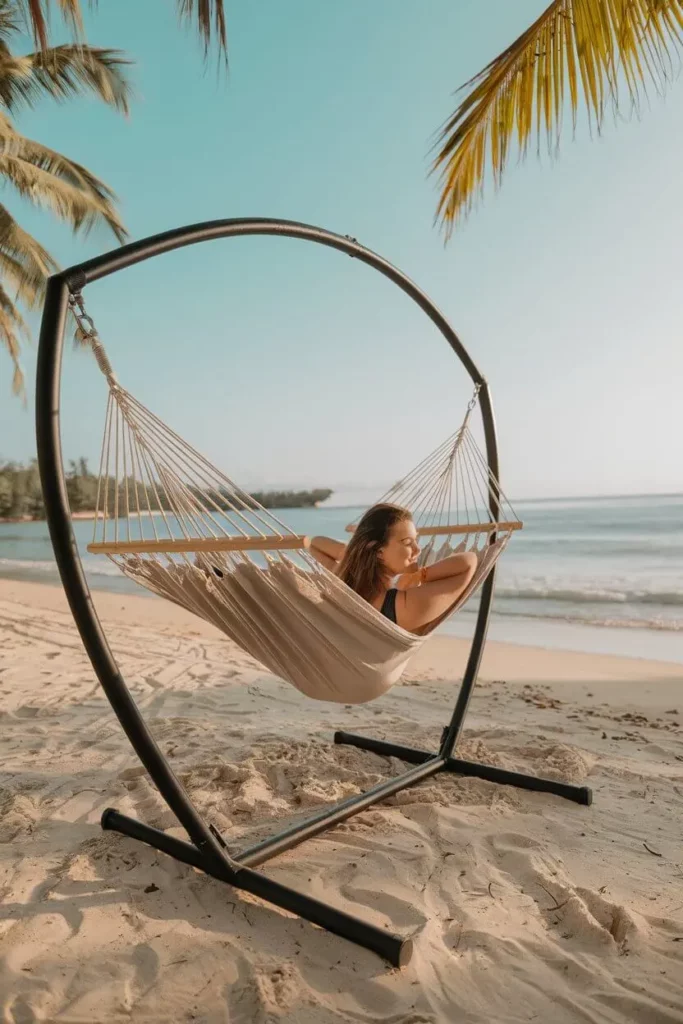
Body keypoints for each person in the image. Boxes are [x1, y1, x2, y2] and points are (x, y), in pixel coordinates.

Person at [310, 502, 478, 635]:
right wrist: (419, 575)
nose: (418, 550)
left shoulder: (346, 584)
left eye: (416, 540)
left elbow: (314, 544)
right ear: (379, 551)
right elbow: (469, 562)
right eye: (407, 542)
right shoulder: (404, 605)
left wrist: (359, 551)